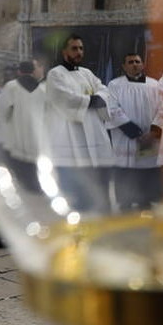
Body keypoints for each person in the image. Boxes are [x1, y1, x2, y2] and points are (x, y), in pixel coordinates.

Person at [46, 35, 114, 212]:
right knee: (76, 180)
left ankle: (99, 208)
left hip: (94, 129)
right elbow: (65, 97)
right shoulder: (55, 74)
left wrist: (95, 99)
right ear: (64, 52)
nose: (79, 52)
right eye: (74, 48)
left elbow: (104, 90)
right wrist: (91, 101)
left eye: (81, 48)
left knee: (98, 176)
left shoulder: (87, 73)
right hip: (71, 132)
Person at [106, 53, 163, 210]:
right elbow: (112, 109)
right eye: (130, 62)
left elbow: (162, 109)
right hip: (127, 137)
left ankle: (146, 200)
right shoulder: (114, 85)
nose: (134, 64)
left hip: (149, 138)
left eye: (137, 61)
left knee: (147, 168)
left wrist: (153, 132)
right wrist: (136, 133)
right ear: (124, 66)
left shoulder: (155, 85)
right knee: (126, 169)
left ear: (143, 64)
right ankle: (125, 202)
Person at [0, 60, 47, 188]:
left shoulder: (11, 86)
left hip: (17, 144)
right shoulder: (43, 89)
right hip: (38, 142)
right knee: (35, 180)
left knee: (20, 182)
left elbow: (3, 113)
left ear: (19, 71)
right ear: (33, 71)